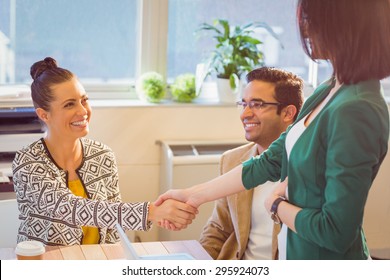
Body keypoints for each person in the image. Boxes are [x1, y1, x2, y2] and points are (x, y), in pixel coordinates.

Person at [156, 0, 390, 259]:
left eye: (312, 20)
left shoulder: (357, 108)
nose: (306, 30)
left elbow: (336, 231)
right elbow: (269, 162)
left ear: (346, 26)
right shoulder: (328, 89)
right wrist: (191, 195)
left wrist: (277, 206)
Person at [12, 57, 197, 246]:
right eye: (69, 104)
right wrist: (151, 212)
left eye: (84, 100)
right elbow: (69, 208)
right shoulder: (28, 162)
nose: (83, 111)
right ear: (44, 114)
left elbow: (113, 227)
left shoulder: (102, 155)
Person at [199, 67, 303, 260]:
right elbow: (218, 229)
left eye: (257, 104)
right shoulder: (231, 161)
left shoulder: (308, 167)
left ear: (288, 113)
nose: (245, 114)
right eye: (243, 103)